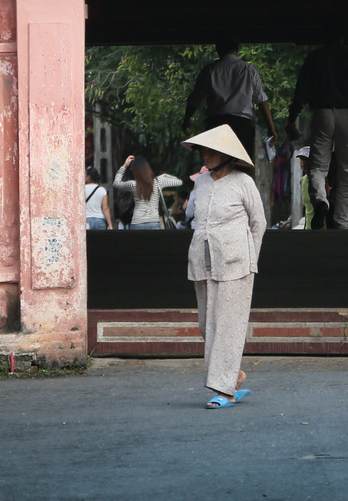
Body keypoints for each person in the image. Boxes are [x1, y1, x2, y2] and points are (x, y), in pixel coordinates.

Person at [182, 123, 266, 409]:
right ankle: (234, 376)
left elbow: (259, 224)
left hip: (236, 264)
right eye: (203, 149)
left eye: (212, 150)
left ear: (227, 154)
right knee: (208, 324)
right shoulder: (201, 183)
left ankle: (225, 390)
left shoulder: (244, 182)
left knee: (227, 326)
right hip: (202, 263)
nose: (205, 154)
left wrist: (248, 257)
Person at [286, 24, 348, 229]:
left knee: (318, 167)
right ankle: (343, 222)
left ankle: (321, 201)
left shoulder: (315, 57)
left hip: (322, 112)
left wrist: (292, 117)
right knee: (347, 169)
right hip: (347, 114)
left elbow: (302, 91)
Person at [183, 39, 279, 153]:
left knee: (217, 165)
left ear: (217, 49)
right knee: (242, 164)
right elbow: (261, 100)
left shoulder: (209, 71)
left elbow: (195, 99)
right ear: (237, 50)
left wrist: (186, 120)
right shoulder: (249, 70)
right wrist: (271, 126)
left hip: (216, 126)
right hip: (242, 126)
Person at [113, 153, 173, 230]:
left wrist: (124, 166)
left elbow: (116, 183)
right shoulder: (154, 182)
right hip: (153, 222)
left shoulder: (132, 184)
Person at [84, 167, 113, 231]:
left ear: (89, 177)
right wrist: (110, 223)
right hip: (100, 221)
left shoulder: (82, 189)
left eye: (85, 175)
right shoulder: (102, 190)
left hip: (86, 220)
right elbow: (105, 208)